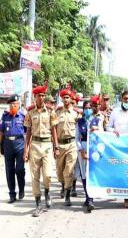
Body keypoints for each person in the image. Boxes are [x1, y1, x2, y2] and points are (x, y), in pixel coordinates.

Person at [23, 84, 59, 217]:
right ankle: (38, 203)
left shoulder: (51, 111)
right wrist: (25, 150)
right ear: (35, 97)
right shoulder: (30, 112)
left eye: (44, 95)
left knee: (48, 175)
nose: (42, 98)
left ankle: (47, 192)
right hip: (35, 146)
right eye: (40, 96)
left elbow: (54, 130)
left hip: (47, 146)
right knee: (34, 176)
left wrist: (56, 147)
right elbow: (28, 133)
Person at [106, 91, 128, 208]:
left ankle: (127, 197)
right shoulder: (114, 113)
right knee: (118, 171)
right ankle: (114, 191)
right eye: (125, 99)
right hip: (117, 146)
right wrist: (113, 131)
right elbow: (108, 127)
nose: (127, 101)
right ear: (121, 99)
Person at [55, 89, 81, 206]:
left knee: (69, 170)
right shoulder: (57, 112)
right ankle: (62, 185)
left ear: (71, 99)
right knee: (60, 170)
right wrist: (54, 145)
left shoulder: (76, 113)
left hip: (71, 144)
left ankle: (67, 194)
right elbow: (53, 130)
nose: (66, 100)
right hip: (60, 144)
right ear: (61, 99)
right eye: (64, 97)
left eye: (67, 98)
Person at [0, 95, 26, 203]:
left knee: (19, 169)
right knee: (9, 170)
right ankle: (12, 194)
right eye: (11, 104)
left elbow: (27, 132)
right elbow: (1, 132)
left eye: (15, 104)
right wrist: (0, 145)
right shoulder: (5, 117)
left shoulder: (23, 116)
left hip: (20, 143)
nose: (12, 106)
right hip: (7, 144)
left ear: (18, 105)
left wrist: (27, 149)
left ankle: (21, 189)